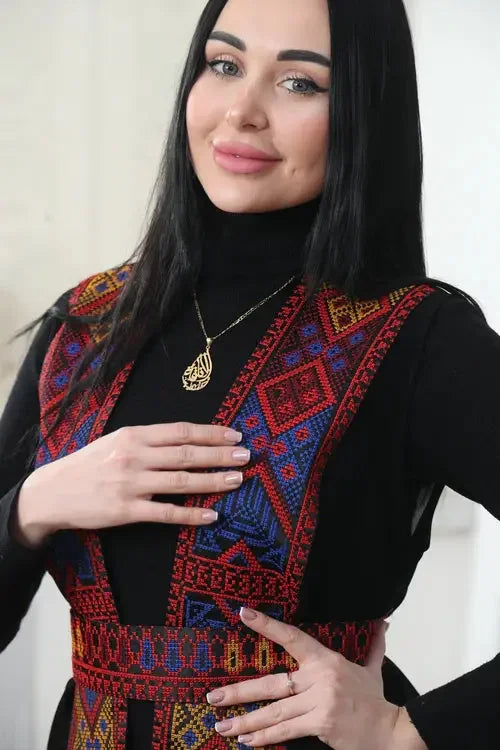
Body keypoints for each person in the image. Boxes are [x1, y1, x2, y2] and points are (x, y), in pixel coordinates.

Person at [1, 0, 499, 748]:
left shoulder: (416, 335)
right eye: (224, 65)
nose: (242, 111)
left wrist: (408, 731)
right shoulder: (87, 326)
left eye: (300, 83)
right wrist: (33, 505)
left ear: (364, 110)